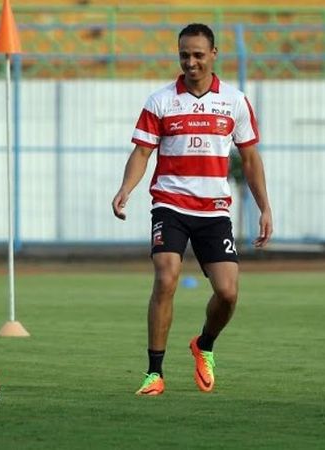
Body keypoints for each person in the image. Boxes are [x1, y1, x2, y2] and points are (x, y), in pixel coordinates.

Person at [111, 23, 273, 396]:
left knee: (228, 292)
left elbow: (250, 159)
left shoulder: (234, 101)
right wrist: (126, 188)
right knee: (166, 277)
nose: (191, 62)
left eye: (198, 54)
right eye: (185, 54)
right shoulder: (161, 100)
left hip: (214, 211)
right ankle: (155, 373)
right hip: (170, 204)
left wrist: (264, 207)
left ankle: (204, 344)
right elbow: (142, 152)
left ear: (214, 55)